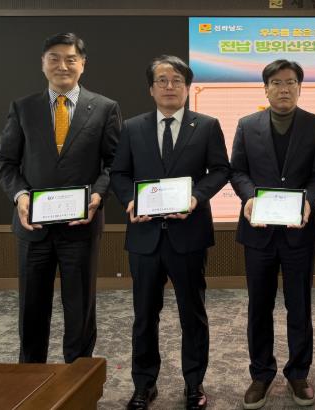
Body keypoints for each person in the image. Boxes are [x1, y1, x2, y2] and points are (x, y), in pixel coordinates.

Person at [110, 55, 230, 410]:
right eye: (162, 80)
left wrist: (196, 197)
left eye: (177, 80)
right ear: (151, 89)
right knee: (144, 316)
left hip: (188, 235)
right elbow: (119, 173)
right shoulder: (133, 127)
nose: (169, 86)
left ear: (188, 87)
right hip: (145, 237)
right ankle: (144, 385)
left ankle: (194, 384)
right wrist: (131, 200)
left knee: (192, 314)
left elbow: (220, 170)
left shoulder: (206, 126)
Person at [0, 32, 120, 364]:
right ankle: (30, 379)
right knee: (31, 311)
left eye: (70, 59)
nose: (62, 65)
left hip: (81, 227)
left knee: (80, 310)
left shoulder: (104, 108)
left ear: (83, 64)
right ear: (43, 63)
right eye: (54, 58)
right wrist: (20, 195)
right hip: (32, 227)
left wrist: (97, 195)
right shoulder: (24, 108)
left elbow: (114, 163)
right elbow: (5, 161)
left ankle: (79, 380)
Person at [230, 59, 315, 409]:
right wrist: (249, 198)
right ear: (266, 88)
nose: (283, 88)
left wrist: (309, 201)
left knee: (299, 305)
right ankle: (261, 374)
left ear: (299, 88)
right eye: (276, 82)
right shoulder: (247, 125)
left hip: (299, 231)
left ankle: (298, 373)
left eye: (290, 82)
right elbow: (238, 171)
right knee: (259, 306)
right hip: (258, 232)